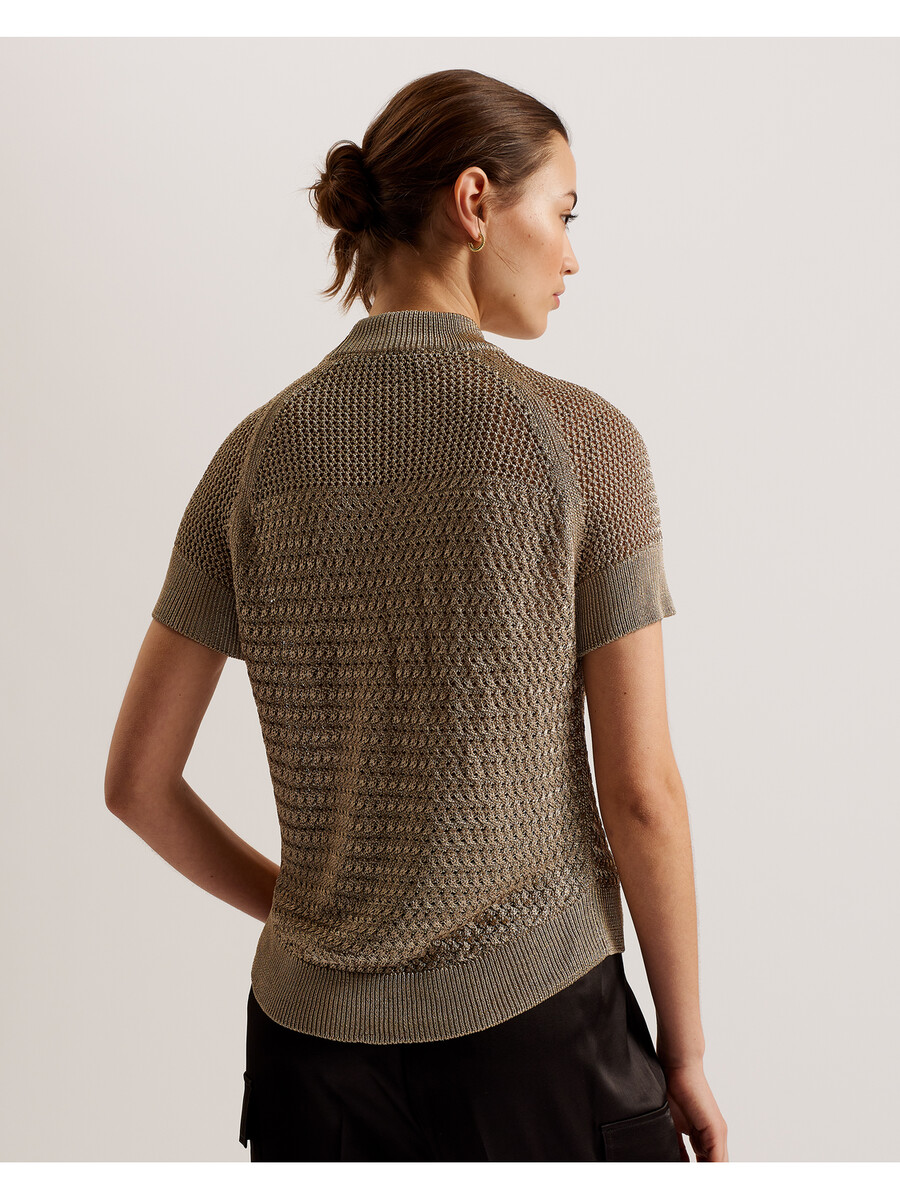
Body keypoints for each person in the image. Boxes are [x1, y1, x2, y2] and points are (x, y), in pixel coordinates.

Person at [104, 67, 728, 1163]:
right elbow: (641, 791)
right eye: (565, 212)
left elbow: (137, 785)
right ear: (475, 201)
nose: (572, 255)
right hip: (539, 1031)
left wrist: (314, 919)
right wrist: (683, 1053)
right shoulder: (583, 444)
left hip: (307, 1055)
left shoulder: (249, 462)